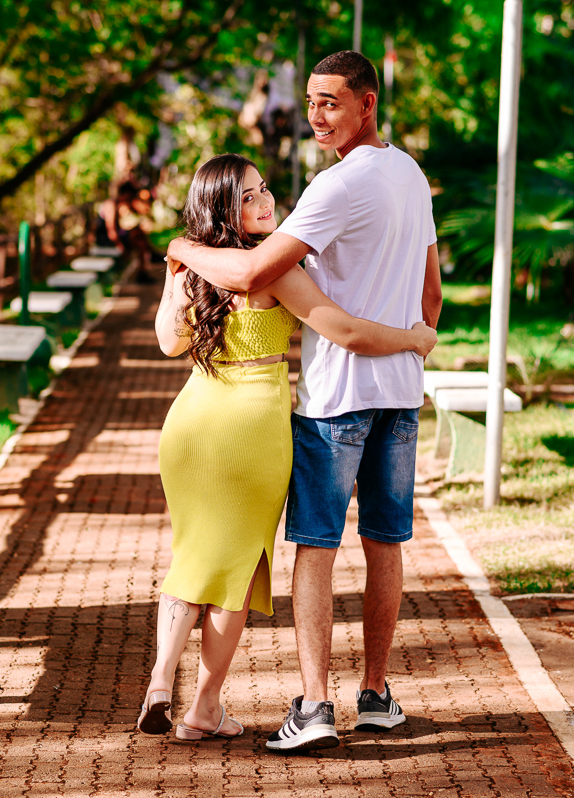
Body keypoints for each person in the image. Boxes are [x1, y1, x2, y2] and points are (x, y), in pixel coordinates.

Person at [166, 51, 442, 751]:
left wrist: (180, 247)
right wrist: (415, 342)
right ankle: (375, 695)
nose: (316, 115)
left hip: (335, 399)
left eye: (331, 103)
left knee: (315, 548)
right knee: (385, 544)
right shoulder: (411, 175)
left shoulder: (334, 186)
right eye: (312, 101)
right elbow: (431, 291)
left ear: (367, 104)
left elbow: (253, 270)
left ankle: (316, 707)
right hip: (399, 393)